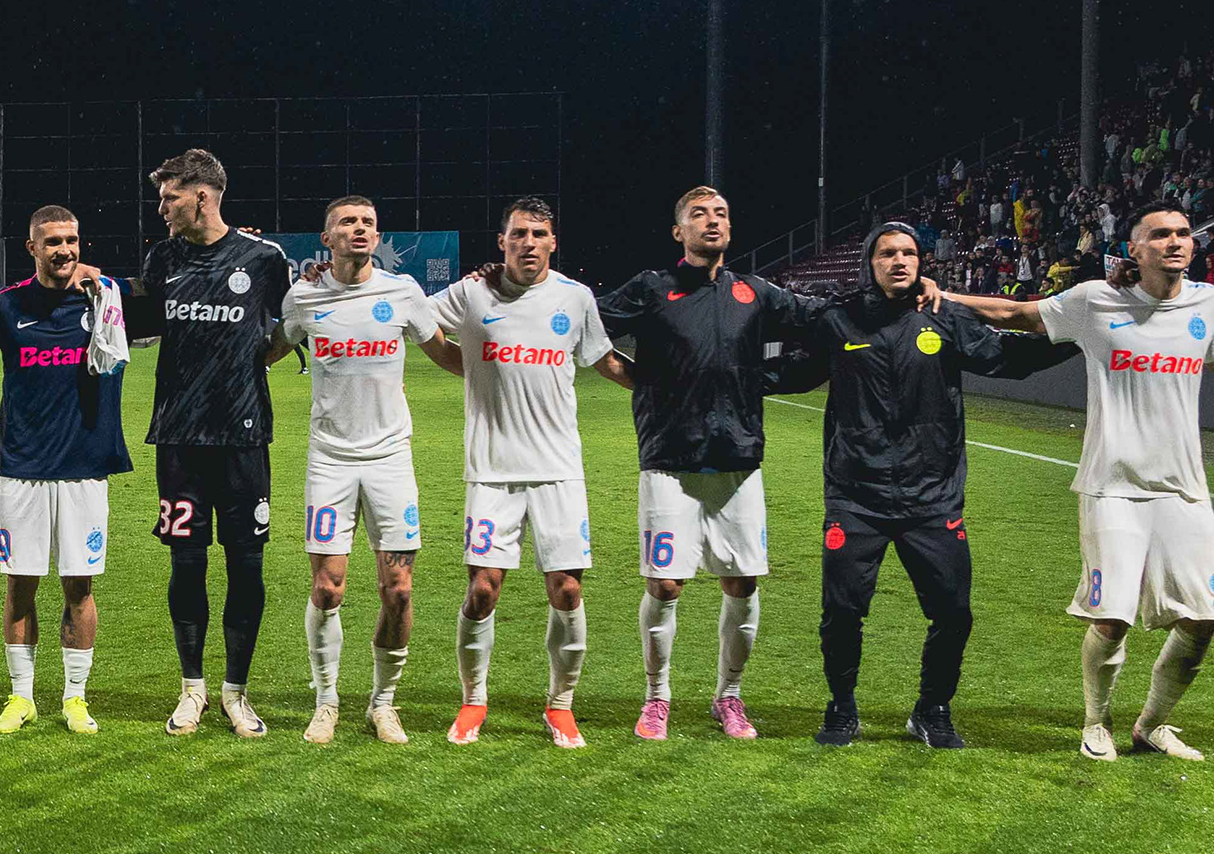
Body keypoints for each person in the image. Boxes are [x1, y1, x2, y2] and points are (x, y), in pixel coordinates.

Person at [943, 202, 1214, 760]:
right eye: (1159, 235)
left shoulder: (1207, 304)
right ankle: (1097, 722)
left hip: (1185, 487)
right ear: (1134, 249)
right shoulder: (1094, 301)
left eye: (1183, 233)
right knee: (1112, 617)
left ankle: (1151, 725)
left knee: (1204, 618)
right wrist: (941, 297)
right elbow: (1017, 314)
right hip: (1112, 486)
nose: (1175, 242)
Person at [766, 222, 1026, 749]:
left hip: (933, 497)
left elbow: (1005, 361)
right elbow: (792, 374)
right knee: (842, 612)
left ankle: (933, 709)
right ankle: (841, 707)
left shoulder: (944, 317)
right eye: (888, 253)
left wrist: (1087, 335)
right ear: (871, 261)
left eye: (909, 252)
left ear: (921, 261)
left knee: (953, 612)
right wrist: (712, 371)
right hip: (855, 495)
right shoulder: (839, 319)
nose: (899, 261)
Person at [597, 187, 826, 742]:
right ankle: (657, 698)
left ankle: (729, 696)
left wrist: (763, 380)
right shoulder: (653, 289)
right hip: (669, 460)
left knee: (742, 582)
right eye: (698, 215)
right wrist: (632, 375)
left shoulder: (754, 293)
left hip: (738, 462)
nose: (712, 221)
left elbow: (824, 324)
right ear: (679, 232)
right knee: (667, 585)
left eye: (721, 213)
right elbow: (585, 323)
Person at [420, 196, 629, 748]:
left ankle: (560, 706)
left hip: (560, 470)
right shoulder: (471, 292)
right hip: (490, 471)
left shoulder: (574, 298)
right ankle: (473, 701)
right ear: (503, 241)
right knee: (483, 590)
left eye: (539, 233)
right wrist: (462, 366)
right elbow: (416, 319)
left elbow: (605, 361)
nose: (529, 243)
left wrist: (667, 387)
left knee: (566, 591)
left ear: (553, 242)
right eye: (519, 234)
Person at [127, 147, 295, 737]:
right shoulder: (161, 257)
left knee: (247, 567)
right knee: (187, 564)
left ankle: (236, 692)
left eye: (170, 196)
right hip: (178, 439)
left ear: (203, 195)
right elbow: (139, 324)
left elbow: (286, 330)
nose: (161, 207)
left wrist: (250, 368)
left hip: (244, 438)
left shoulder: (266, 260)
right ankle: (192, 689)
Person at [270, 195, 442, 745]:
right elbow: (265, 352)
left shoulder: (404, 292)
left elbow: (444, 351)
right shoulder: (303, 297)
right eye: (347, 223)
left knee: (398, 589)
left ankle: (382, 703)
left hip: (392, 460)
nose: (360, 230)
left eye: (368, 222)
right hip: (331, 461)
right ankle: (326, 702)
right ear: (327, 239)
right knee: (329, 588)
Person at [0, 205, 130, 732]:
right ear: (31, 247)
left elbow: (173, 290)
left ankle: (75, 698)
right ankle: (21, 697)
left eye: (72, 240)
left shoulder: (106, 298)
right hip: (23, 469)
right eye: (53, 242)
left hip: (84, 469)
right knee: (20, 584)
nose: (65, 251)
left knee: (79, 586)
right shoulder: (7, 306)